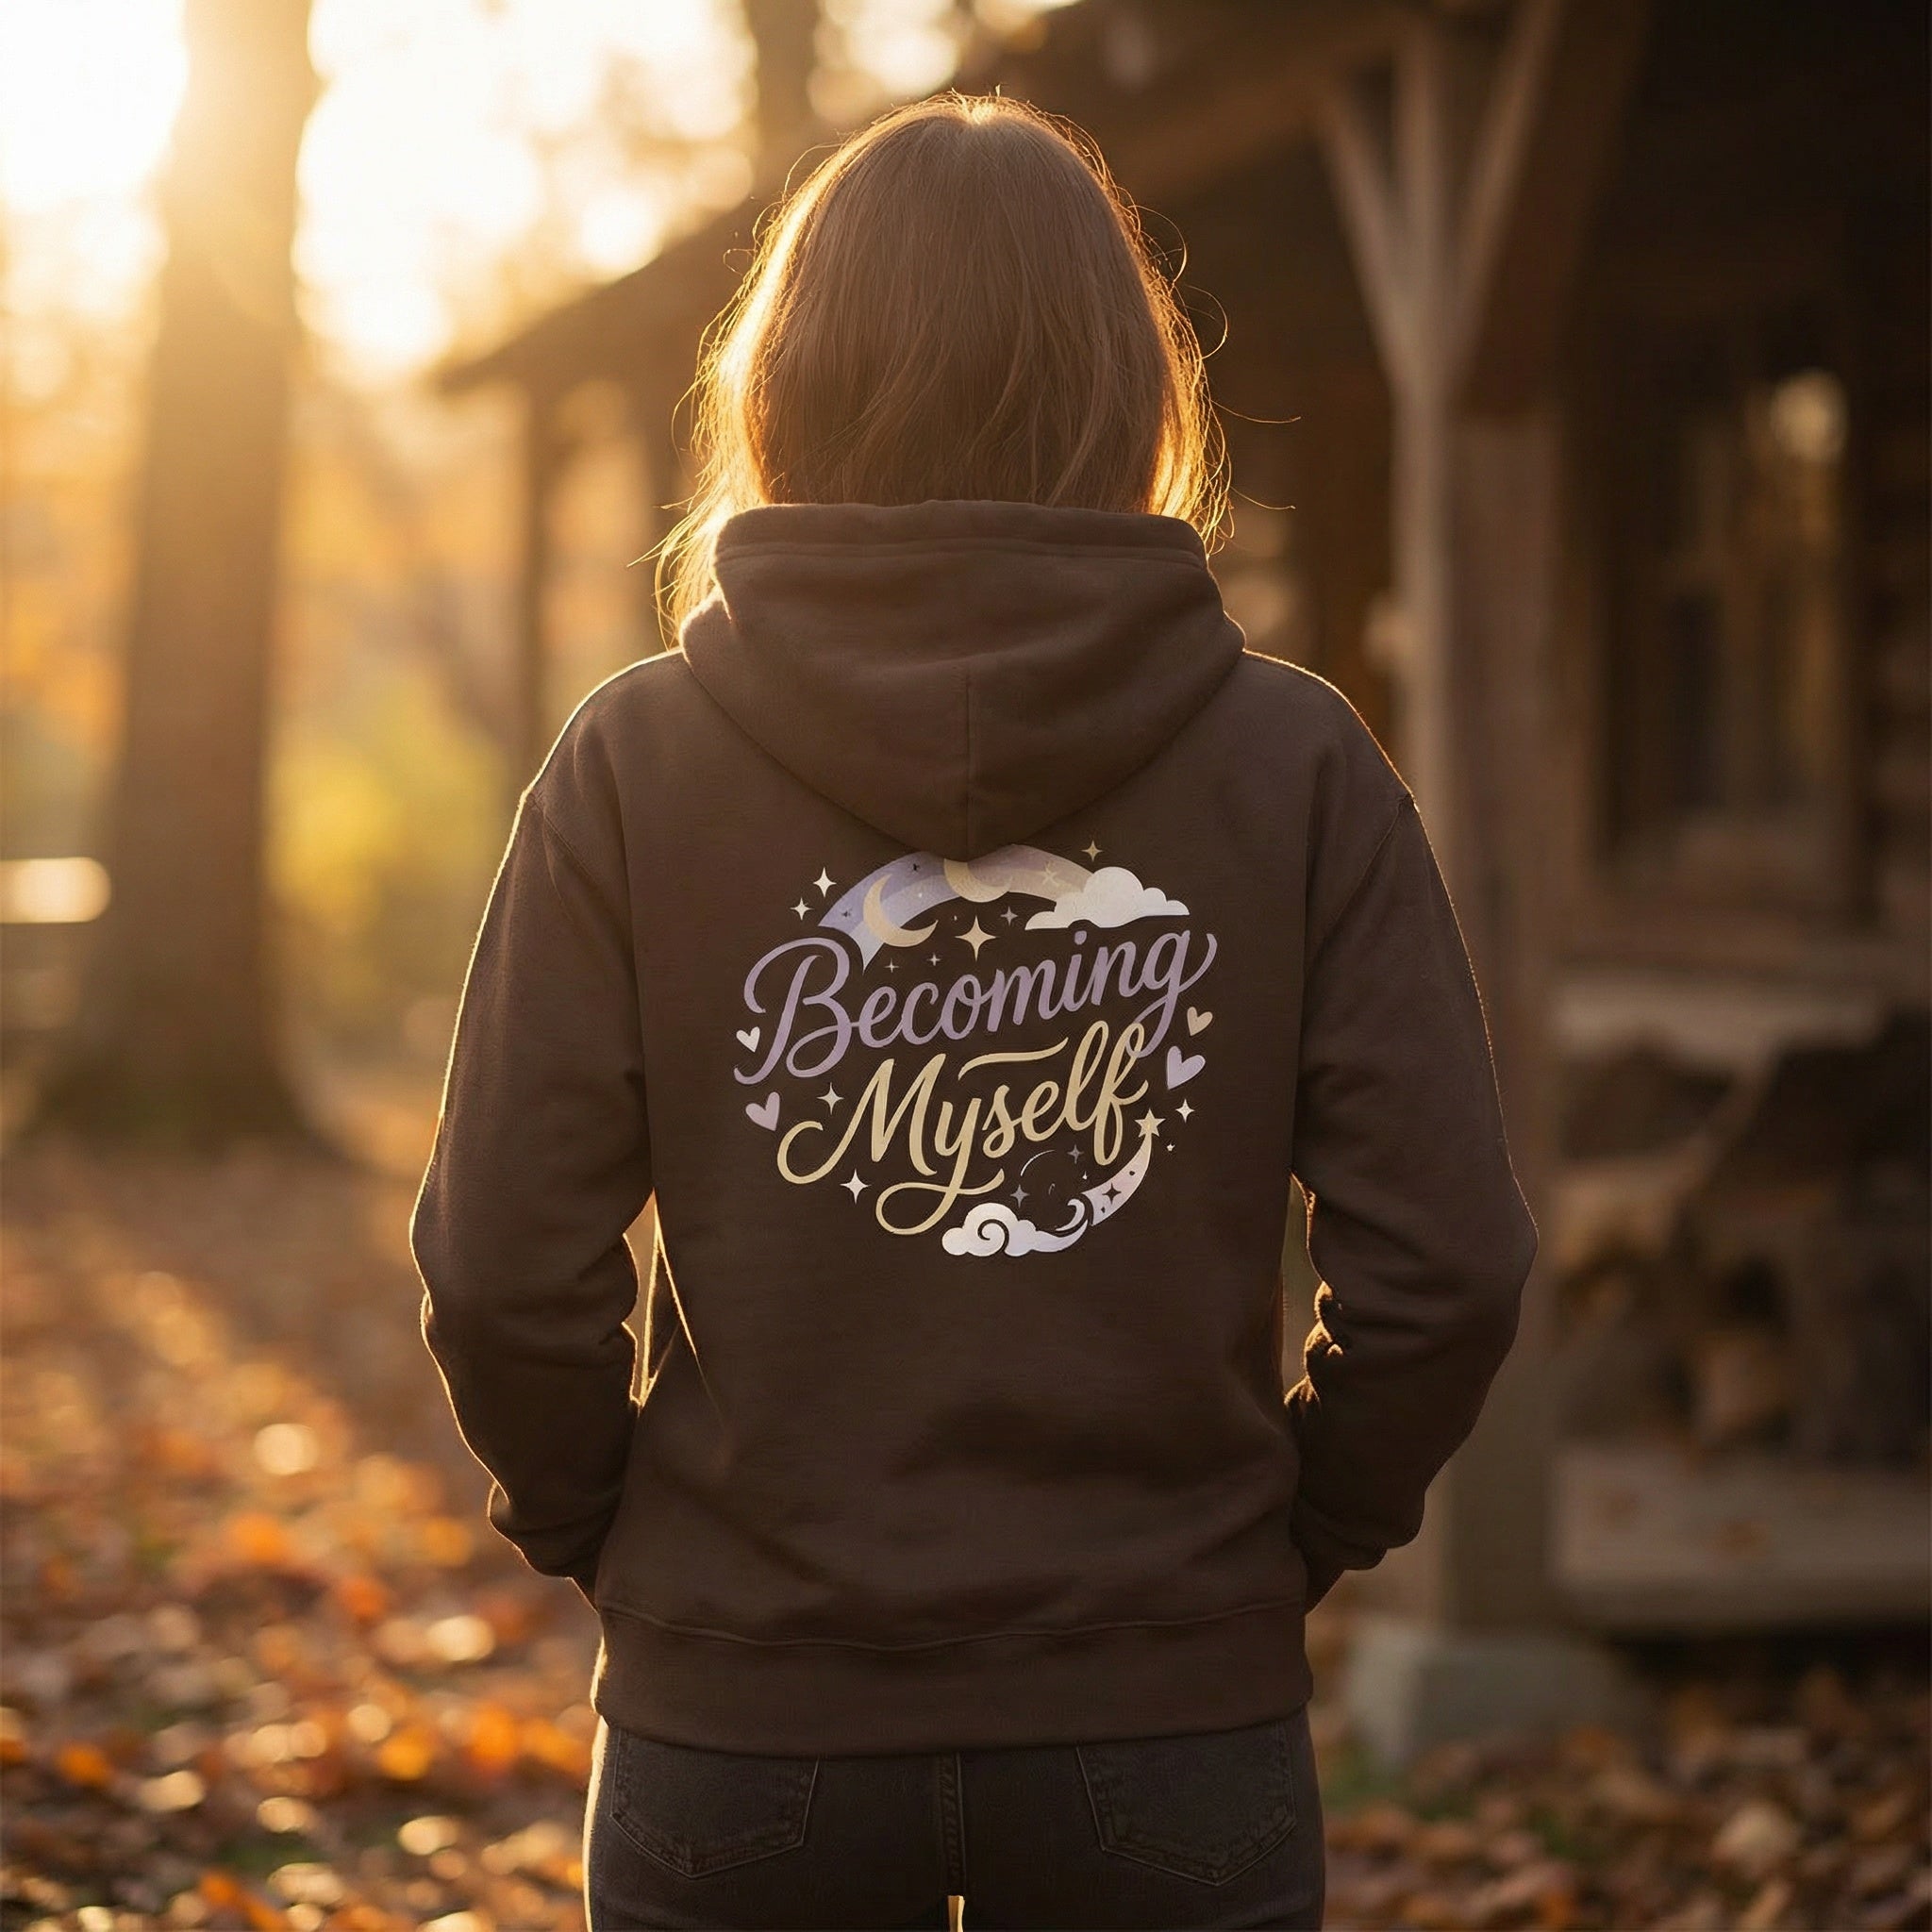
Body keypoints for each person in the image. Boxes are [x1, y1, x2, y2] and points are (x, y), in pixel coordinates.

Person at [411, 91, 1538, 1932]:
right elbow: (1452, 1267)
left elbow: (496, 1270)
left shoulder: (634, 764)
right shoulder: (1296, 764)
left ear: (789, 378)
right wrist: (1278, 1549)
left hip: (741, 1722)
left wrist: (623, 1542)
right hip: (1171, 1714)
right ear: (1124, 384)